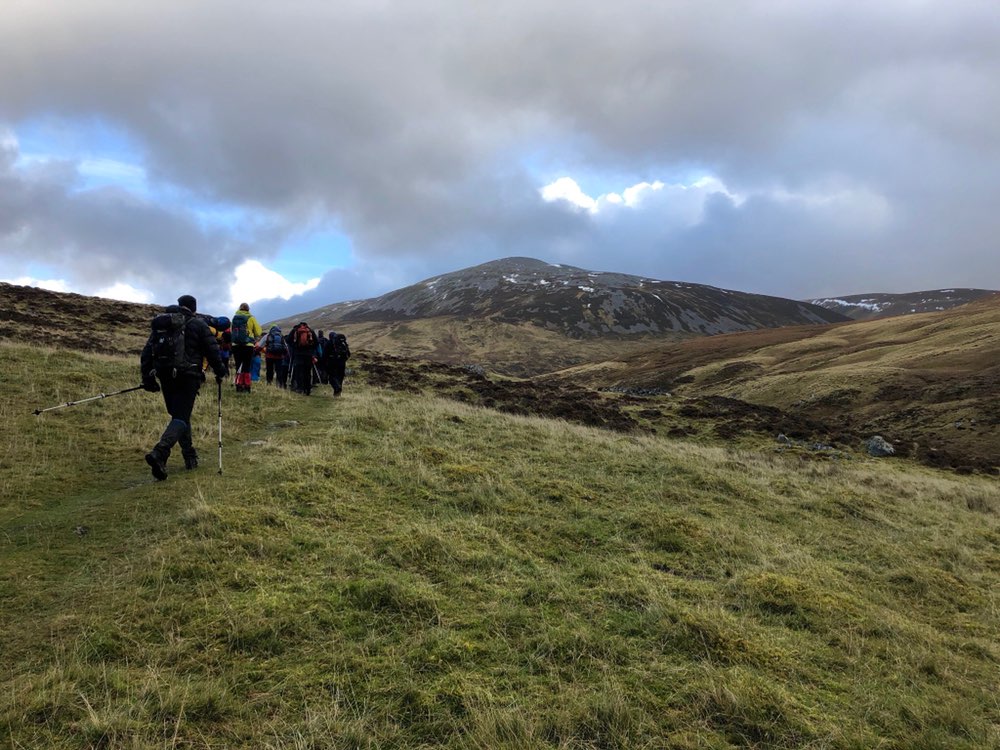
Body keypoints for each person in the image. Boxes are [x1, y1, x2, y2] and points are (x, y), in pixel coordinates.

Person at [141, 294, 228, 481]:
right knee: (181, 417)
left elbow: (147, 352)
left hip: (165, 375)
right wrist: (220, 371)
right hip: (188, 376)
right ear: (194, 308)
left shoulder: (163, 325)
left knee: (180, 416)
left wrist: (148, 379)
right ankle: (160, 452)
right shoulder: (198, 324)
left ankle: (189, 457)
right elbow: (212, 349)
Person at [230, 302, 262, 393]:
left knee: (238, 365)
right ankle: (247, 386)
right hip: (248, 346)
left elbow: (232, 331)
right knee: (247, 366)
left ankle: (238, 386)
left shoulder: (234, 318)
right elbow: (258, 332)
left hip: (236, 345)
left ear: (239, 308)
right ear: (248, 309)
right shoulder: (251, 318)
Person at [288, 321, 318, 395]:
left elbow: (288, 340)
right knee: (307, 372)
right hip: (308, 355)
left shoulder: (295, 330)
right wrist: (311, 350)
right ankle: (307, 389)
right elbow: (316, 342)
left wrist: (294, 347)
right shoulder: (310, 331)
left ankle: (300, 388)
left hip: (298, 354)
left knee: (299, 372)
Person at [321, 330, 351, 397]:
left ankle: (337, 388)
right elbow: (348, 354)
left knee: (332, 378)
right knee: (340, 377)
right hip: (342, 363)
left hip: (332, 363)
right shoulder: (343, 343)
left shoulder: (328, 343)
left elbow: (324, 355)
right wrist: (343, 360)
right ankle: (337, 393)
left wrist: (324, 364)